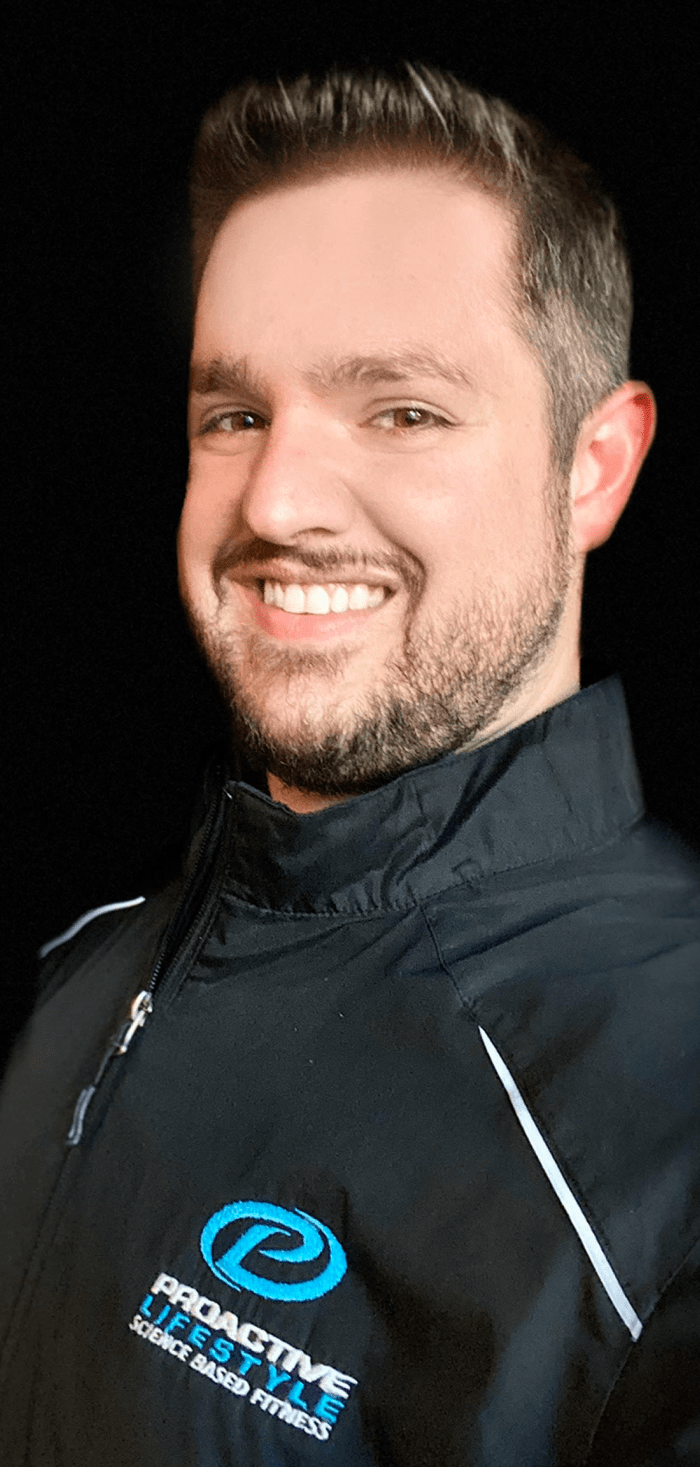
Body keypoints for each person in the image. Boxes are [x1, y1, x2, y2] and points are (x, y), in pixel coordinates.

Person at [0, 58, 698, 1467]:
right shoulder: (79, 967)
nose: (276, 501)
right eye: (235, 415)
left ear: (595, 466)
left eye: (402, 411)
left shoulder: (665, 1127)